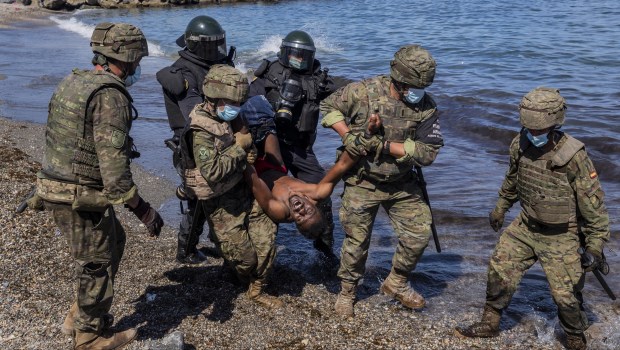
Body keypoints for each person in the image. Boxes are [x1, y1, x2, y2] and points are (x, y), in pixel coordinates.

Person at [35, 22, 164, 349]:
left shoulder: (74, 81)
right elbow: (114, 170)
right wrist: (144, 211)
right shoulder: (110, 97)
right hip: (79, 195)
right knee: (98, 262)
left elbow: (58, 139)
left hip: (56, 185)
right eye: (138, 61)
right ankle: (89, 336)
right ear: (129, 58)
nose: (138, 68)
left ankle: (79, 315)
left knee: (113, 242)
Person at [455, 87, 610, 350]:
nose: (534, 134)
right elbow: (513, 180)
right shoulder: (520, 143)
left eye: (539, 130)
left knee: (565, 296)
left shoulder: (573, 157)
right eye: (531, 129)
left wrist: (595, 246)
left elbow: (594, 207)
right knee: (500, 268)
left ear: (554, 122)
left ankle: (575, 338)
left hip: (562, 234)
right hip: (526, 225)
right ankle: (490, 322)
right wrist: (501, 208)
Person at [320, 44, 444, 317]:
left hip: (402, 183)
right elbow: (328, 106)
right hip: (362, 180)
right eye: (412, 86)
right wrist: (347, 135)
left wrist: (383, 145)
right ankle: (347, 292)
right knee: (356, 241)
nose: (417, 93)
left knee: (419, 234)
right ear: (397, 80)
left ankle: (396, 281)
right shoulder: (362, 91)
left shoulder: (426, 105)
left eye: (421, 87)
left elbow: (427, 153)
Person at [179, 65, 281, 308]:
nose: (236, 107)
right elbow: (212, 172)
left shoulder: (233, 115)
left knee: (266, 240)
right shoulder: (200, 130)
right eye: (230, 102)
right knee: (245, 260)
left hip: (244, 189)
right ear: (213, 99)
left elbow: (247, 145)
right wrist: (239, 148)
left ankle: (256, 289)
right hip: (219, 201)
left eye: (238, 102)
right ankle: (238, 270)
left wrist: (250, 150)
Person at [249, 30, 338, 259]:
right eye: (294, 54)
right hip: (269, 141)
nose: (298, 59)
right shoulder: (267, 77)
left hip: (300, 147)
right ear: (284, 53)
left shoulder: (317, 79)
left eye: (303, 55)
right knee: (258, 189)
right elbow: (248, 103)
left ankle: (324, 242)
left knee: (321, 191)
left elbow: (346, 92)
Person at [156, 15, 234, 264]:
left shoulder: (213, 64)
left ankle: (219, 240)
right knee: (198, 198)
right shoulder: (184, 73)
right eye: (211, 44)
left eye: (218, 43)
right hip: (191, 144)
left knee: (223, 193)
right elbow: (194, 115)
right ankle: (186, 248)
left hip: (218, 138)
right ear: (198, 45)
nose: (217, 49)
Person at [239, 95, 327, 240]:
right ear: (313, 204)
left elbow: (253, 182)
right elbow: (338, 170)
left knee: (241, 131)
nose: (300, 210)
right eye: (308, 211)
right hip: (275, 166)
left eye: (299, 218)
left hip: (255, 174)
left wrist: (241, 153)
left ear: (294, 221)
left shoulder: (280, 211)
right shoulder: (314, 194)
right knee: (263, 116)